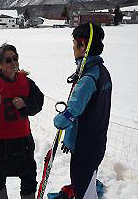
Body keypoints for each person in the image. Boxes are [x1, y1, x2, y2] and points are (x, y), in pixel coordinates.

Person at [0, 43, 44, 199]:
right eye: (8, 60)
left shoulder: (26, 82)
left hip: (23, 141)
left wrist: (26, 103)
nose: (13, 62)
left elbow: (39, 103)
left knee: (29, 178)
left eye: (15, 58)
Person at [53, 23, 112, 199]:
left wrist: (59, 121)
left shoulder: (88, 78)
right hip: (97, 141)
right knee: (87, 183)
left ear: (83, 45)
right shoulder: (102, 71)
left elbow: (72, 112)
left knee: (83, 190)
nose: (72, 47)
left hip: (85, 146)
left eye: (74, 43)